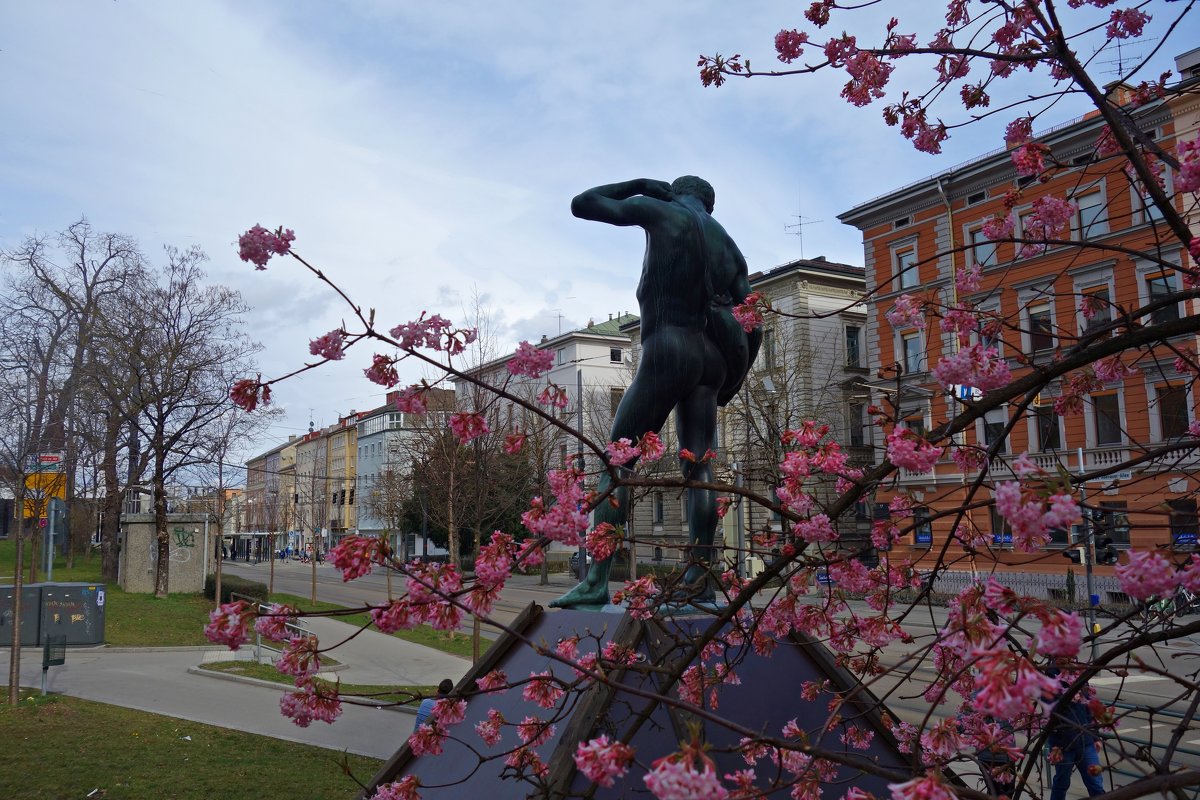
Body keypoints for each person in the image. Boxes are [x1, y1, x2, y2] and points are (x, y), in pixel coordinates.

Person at [552, 176, 761, 608]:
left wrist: (642, 185)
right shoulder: (729, 247)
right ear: (711, 204)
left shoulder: (662, 211)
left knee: (618, 460)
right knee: (699, 465)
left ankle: (596, 580)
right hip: (712, 363)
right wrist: (733, 382)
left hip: (668, 347)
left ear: (676, 191)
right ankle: (702, 578)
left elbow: (583, 202)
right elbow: (753, 322)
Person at [1046, 668, 1105, 800]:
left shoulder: (1079, 672)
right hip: (1063, 745)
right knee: (1062, 784)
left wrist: (1095, 736)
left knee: (1096, 784)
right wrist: (1066, 698)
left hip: (1086, 741)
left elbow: (1088, 707)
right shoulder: (1051, 674)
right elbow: (1049, 712)